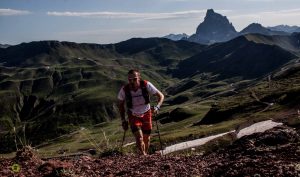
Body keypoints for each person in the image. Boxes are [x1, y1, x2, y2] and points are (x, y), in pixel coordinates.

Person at [117, 69, 164, 155]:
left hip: (147, 113)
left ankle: (144, 153)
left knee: (147, 138)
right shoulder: (124, 90)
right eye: (129, 80)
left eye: (134, 79)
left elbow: (161, 96)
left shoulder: (146, 85)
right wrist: (123, 120)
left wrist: (157, 107)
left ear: (139, 78)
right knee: (139, 138)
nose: (132, 81)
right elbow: (120, 104)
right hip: (133, 115)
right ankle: (143, 155)